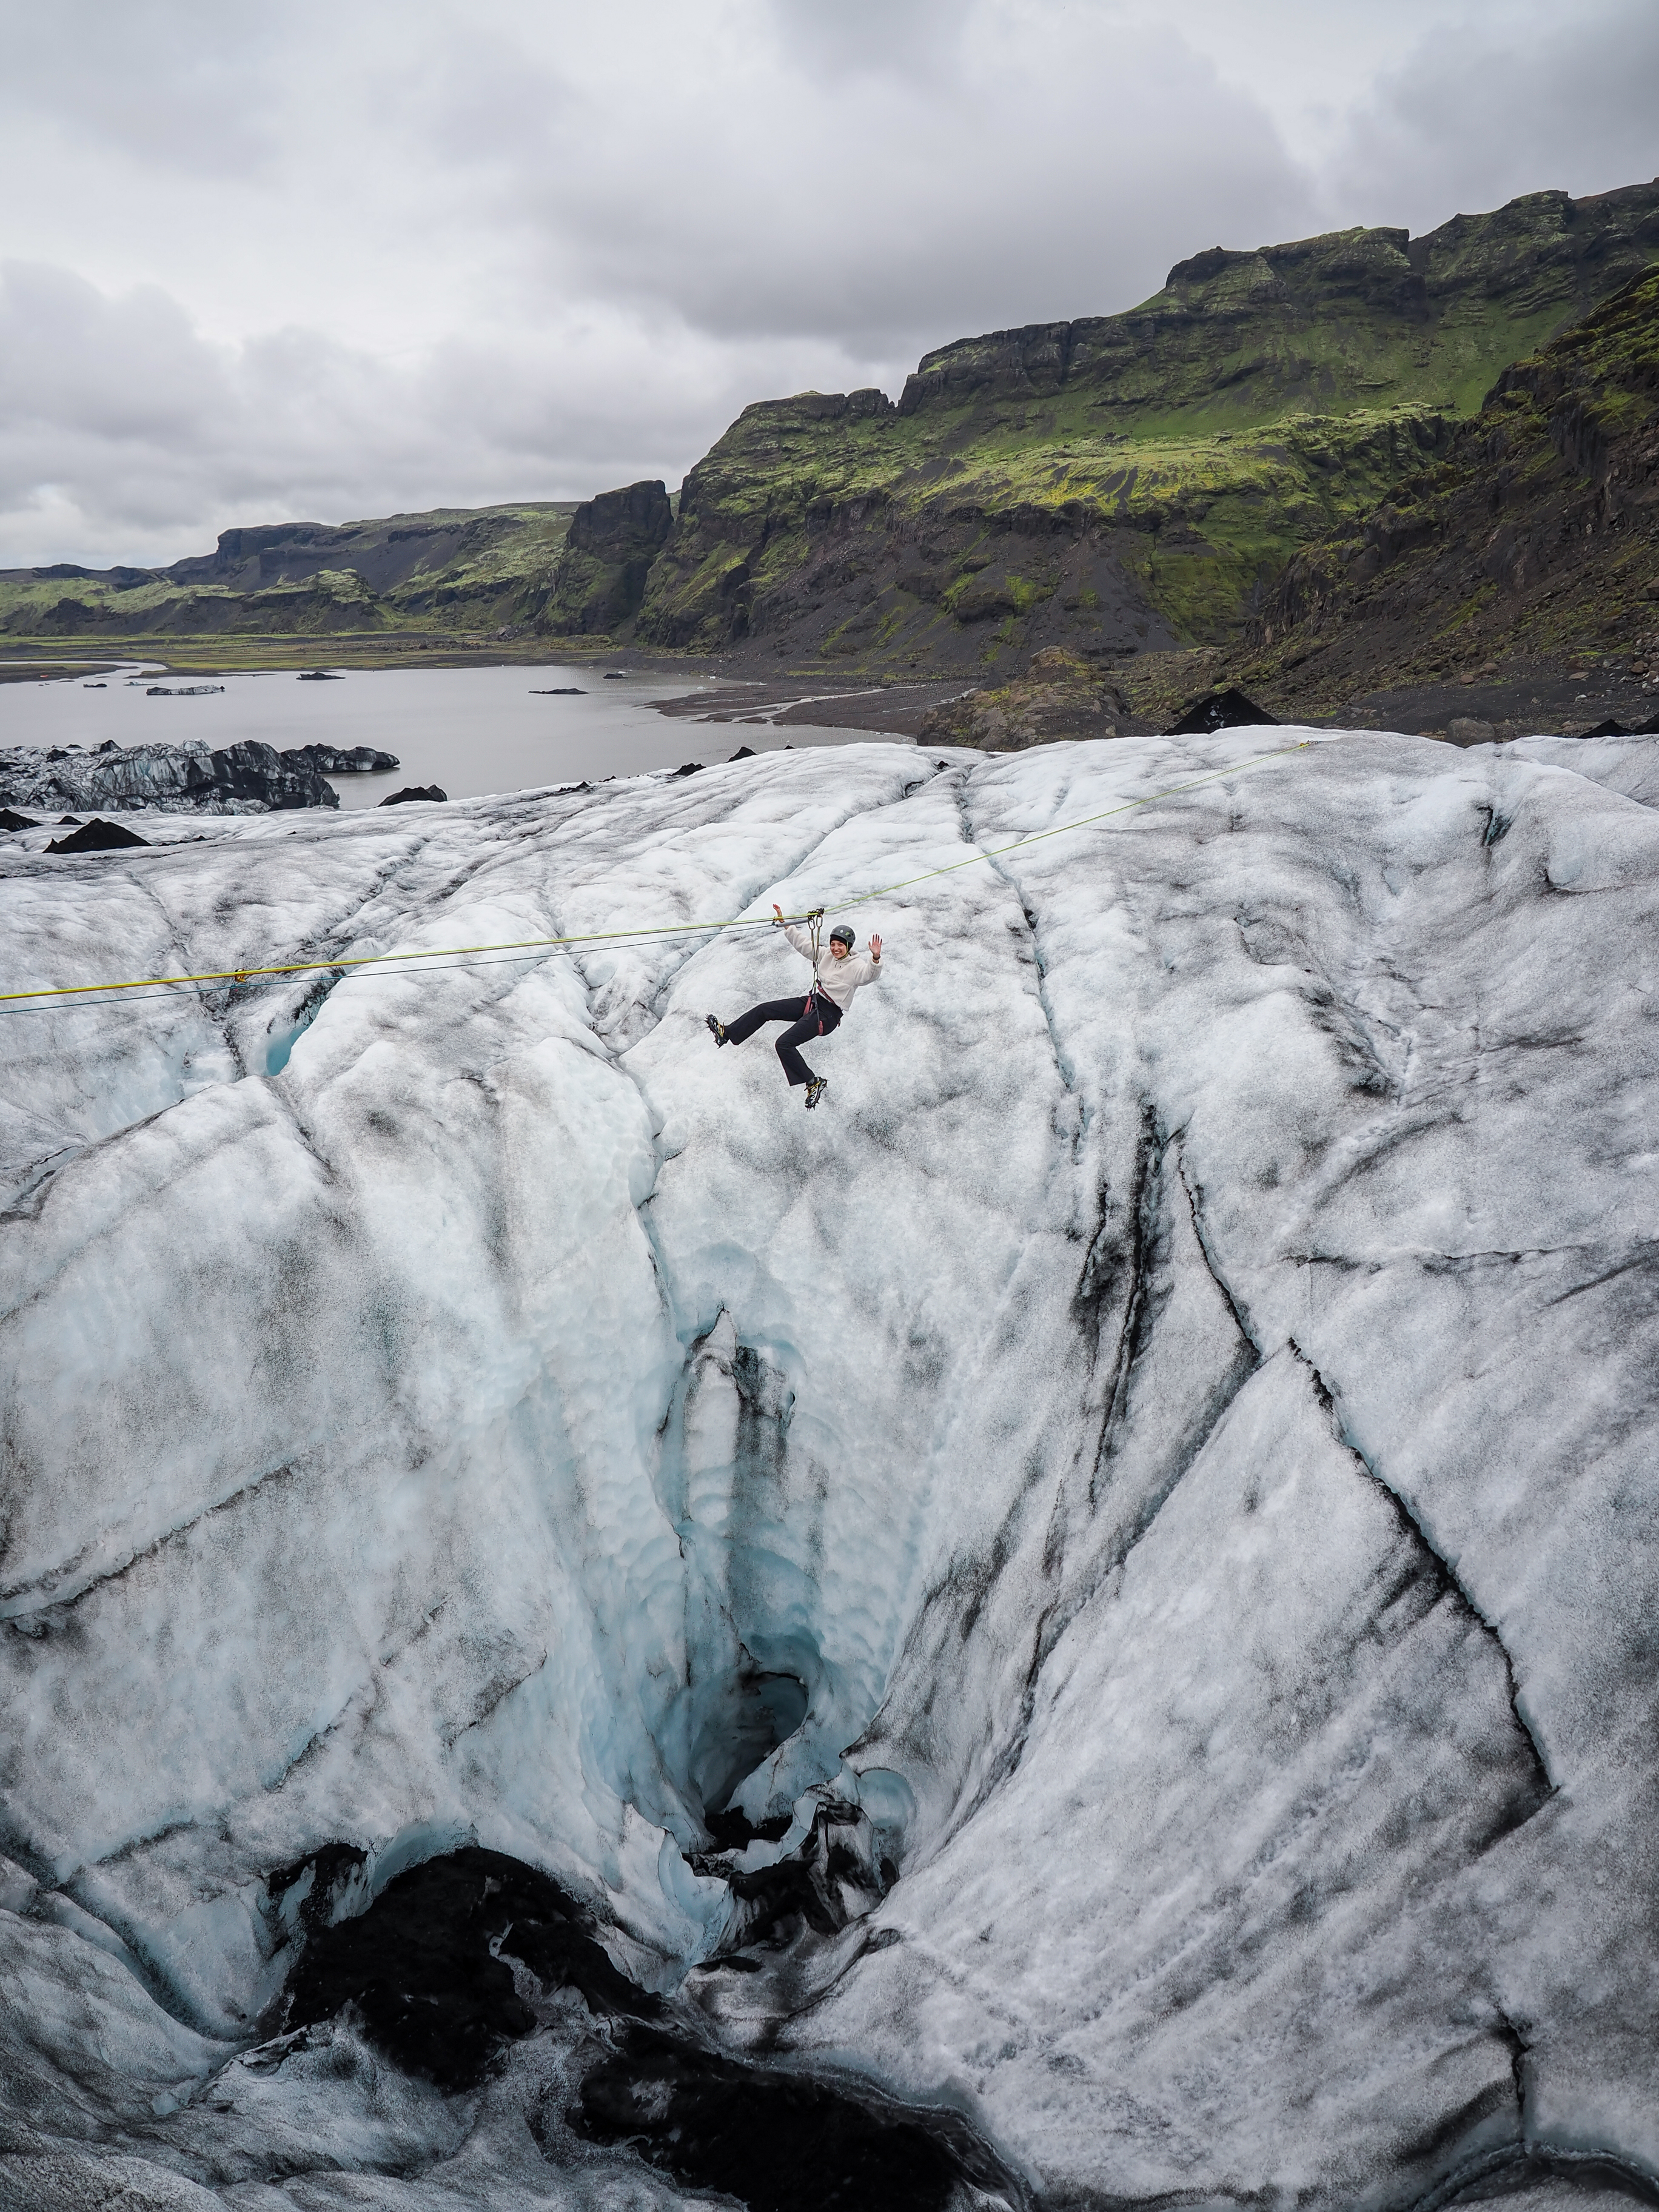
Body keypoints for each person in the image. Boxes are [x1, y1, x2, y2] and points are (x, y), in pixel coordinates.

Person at [706, 905, 883, 1109]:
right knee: (764, 1010)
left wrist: (875, 959)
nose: (836, 948)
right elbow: (803, 944)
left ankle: (813, 1081)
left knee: (783, 1044)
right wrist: (785, 924)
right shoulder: (825, 954)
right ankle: (728, 1034)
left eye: (840, 945)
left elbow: (869, 975)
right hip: (814, 1002)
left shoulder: (857, 966)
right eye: (833, 944)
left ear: (849, 946)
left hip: (828, 1015)